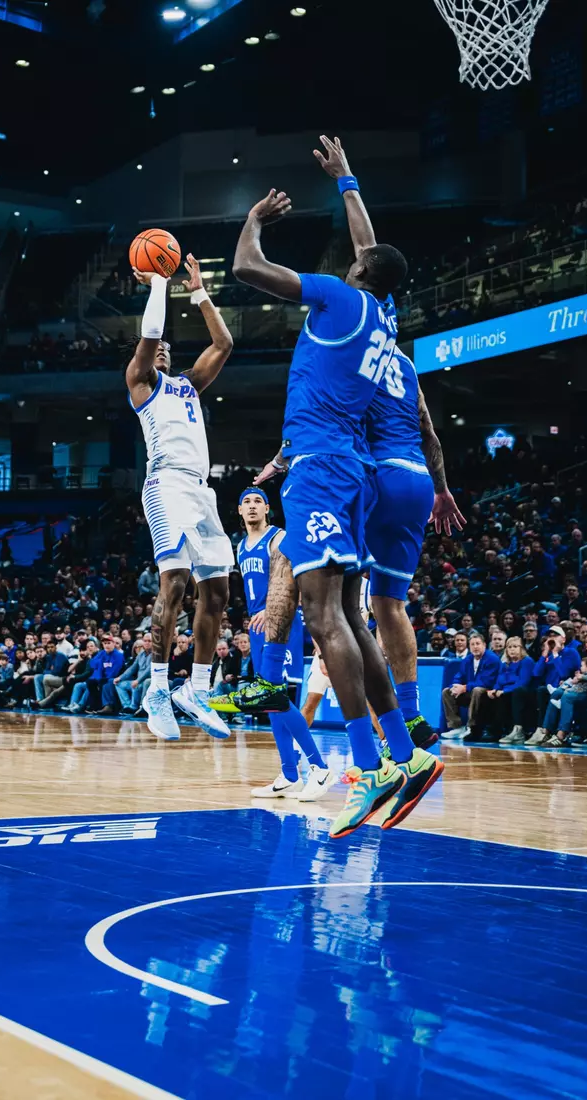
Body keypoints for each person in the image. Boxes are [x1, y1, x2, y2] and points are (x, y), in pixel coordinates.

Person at [227, 160, 442, 838]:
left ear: (357, 272)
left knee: (323, 618)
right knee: (349, 613)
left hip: (320, 467)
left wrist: (253, 220)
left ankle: (367, 766)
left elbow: (245, 267)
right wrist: (349, 182)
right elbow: (370, 250)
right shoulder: (382, 317)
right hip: (353, 472)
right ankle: (403, 755)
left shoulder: (339, 298)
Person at [313, 135, 464, 752]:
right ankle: (415, 716)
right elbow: (428, 428)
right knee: (390, 604)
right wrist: (444, 489)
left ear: (359, 281)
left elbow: (363, 254)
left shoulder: (355, 338)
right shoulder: (399, 354)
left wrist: (346, 180)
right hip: (419, 481)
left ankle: (372, 734)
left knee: (333, 600)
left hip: (372, 474)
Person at [126, 253, 234, 742]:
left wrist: (199, 292)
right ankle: (157, 689)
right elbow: (151, 333)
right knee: (174, 584)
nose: (163, 350)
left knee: (218, 592)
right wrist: (157, 284)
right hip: (165, 484)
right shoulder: (141, 382)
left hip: (201, 490)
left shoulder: (188, 386)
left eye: (169, 347)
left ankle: (197, 689)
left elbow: (223, 343)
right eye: (157, 347)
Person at [228, 487, 337, 801]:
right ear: (239, 510)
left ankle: (319, 768)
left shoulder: (278, 538)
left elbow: (299, 579)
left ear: (267, 509)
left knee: (276, 698)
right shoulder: (241, 546)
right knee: (268, 701)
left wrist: (273, 609)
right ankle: (290, 775)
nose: (252, 506)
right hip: (258, 627)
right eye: (246, 501)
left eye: (257, 501)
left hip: (282, 623)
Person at [527, 626, 584, 745]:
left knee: (547, 692)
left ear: (563, 639)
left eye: (555, 635)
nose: (552, 638)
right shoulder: (548, 655)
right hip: (549, 688)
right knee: (540, 691)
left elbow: (564, 674)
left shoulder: (571, 652)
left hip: (565, 688)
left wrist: (555, 653)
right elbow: (536, 673)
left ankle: (546, 731)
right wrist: (545, 653)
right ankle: (540, 730)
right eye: (550, 636)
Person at [440, 632, 501, 742]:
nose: (475, 647)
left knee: (477, 690)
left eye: (478, 644)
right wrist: (455, 687)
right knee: (447, 692)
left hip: (487, 693)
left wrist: (464, 688)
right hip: (470, 690)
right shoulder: (467, 660)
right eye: (472, 644)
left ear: (484, 645)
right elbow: (459, 676)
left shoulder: (492, 659)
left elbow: (485, 682)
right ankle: (456, 727)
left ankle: (471, 726)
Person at [533, 655, 587, 747]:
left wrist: (580, 677)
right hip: (580, 690)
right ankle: (546, 731)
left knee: (567, 696)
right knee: (556, 693)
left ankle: (561, 735)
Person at [489, 638, 536, 744]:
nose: (512, 649)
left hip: (524, 692)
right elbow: (499, 680)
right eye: (509, 647)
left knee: (509, 695)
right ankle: (492, 731)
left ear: (522, 648)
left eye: (515, 646)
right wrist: (495, 689)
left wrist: (505, 691)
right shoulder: (505, 663)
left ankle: (518, 731)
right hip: (507, 691)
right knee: (490, 695)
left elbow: (523, 682)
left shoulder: (527, 661)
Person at [114, 634, 152, 714]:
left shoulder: (156, 655)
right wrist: (120, 678)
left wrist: (138, 680)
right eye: (145, 641)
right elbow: (132, 669)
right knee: (119, 684)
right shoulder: (140, 655)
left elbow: (148, 670)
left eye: (149, 641)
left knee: (137, 684)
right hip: (138, 681)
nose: (147, 643)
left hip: (147, 681)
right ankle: (127, 706)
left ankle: (134, 707)